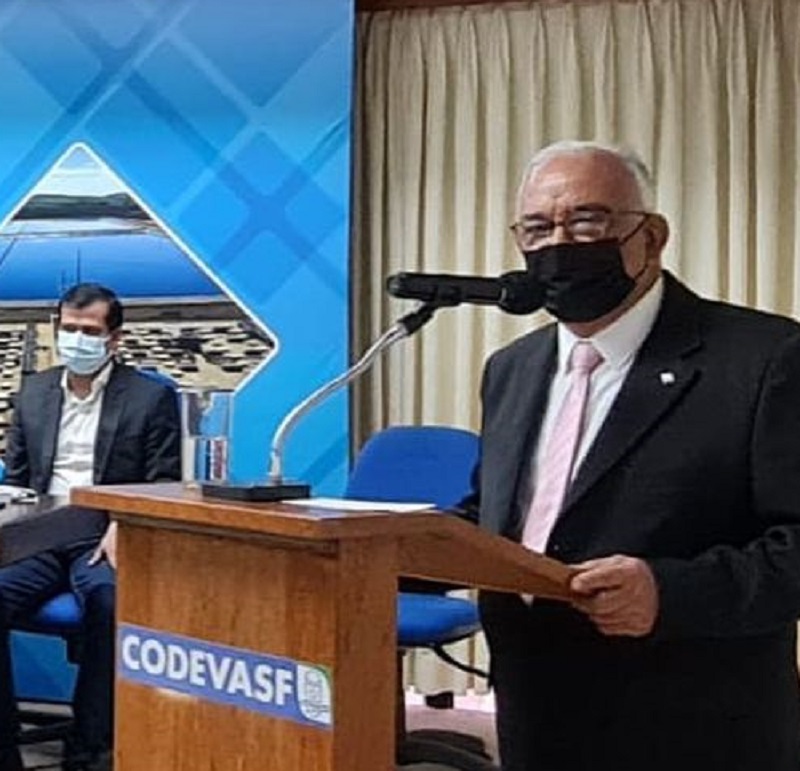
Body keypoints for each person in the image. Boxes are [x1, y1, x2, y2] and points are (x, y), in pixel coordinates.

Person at [470, 140, 800, 771]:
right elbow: (498, 512)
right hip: (535, 707)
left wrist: (670, 593)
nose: (559, 244)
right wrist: (390, 546)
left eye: (587, 221)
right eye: (537, 228)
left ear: (651, 236)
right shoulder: (511, 368)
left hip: (693, 721)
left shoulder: (765, 358)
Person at [0, 283, 181, 771]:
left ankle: (90, 749)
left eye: (89, 331)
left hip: (105, 530)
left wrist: (126, 522)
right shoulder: (35, 392)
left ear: (114, 338)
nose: (76, 339)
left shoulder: (150, 397)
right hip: (41, 532)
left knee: (110, 602)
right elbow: (17, 480)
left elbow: (163, 483)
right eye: (69, 328)